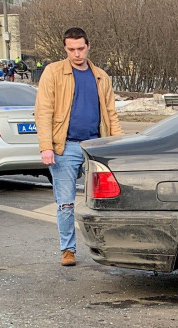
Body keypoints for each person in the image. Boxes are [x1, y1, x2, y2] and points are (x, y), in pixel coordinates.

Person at [35, 27, 123, 266]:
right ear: (65, 49)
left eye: (80, 48)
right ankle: (68, 250)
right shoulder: (53, 72)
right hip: (65, 148)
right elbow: (43, 112)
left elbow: (111, 114)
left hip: (96, 148)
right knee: (65, 203)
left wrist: (119, 146)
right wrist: (46, 147)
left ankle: (108, 248)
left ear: (88, 46)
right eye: (71, 49)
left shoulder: (101, 76)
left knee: (105, 202)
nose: (76, 54)